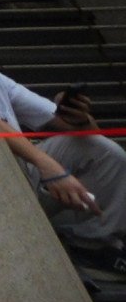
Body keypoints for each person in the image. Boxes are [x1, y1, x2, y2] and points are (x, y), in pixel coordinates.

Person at [0, 9, 102, 218]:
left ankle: (101, 239)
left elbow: (73, 128)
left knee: (101, 148)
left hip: (25, 169)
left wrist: (82, 119)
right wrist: (45, 163)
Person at [34, 92, 126, 278]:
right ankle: (89, 246)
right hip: (5, 165)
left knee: (106, 152)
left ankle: (94, 244)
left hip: (32, 166)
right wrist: (48, 166)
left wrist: (80, 119)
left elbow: (94, 141)